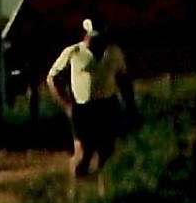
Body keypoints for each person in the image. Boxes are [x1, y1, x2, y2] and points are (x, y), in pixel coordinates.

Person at [44, 16, 134, 179]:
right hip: (83, 108)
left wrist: (130, 105)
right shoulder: (74, 52)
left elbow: (123, 78)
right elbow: (52, 78)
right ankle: (76, 188)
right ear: (86, 36)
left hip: (107, 105)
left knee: (107, 150)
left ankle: (102, 188)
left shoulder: (113, 52)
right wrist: (66, 104)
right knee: (83, 152)